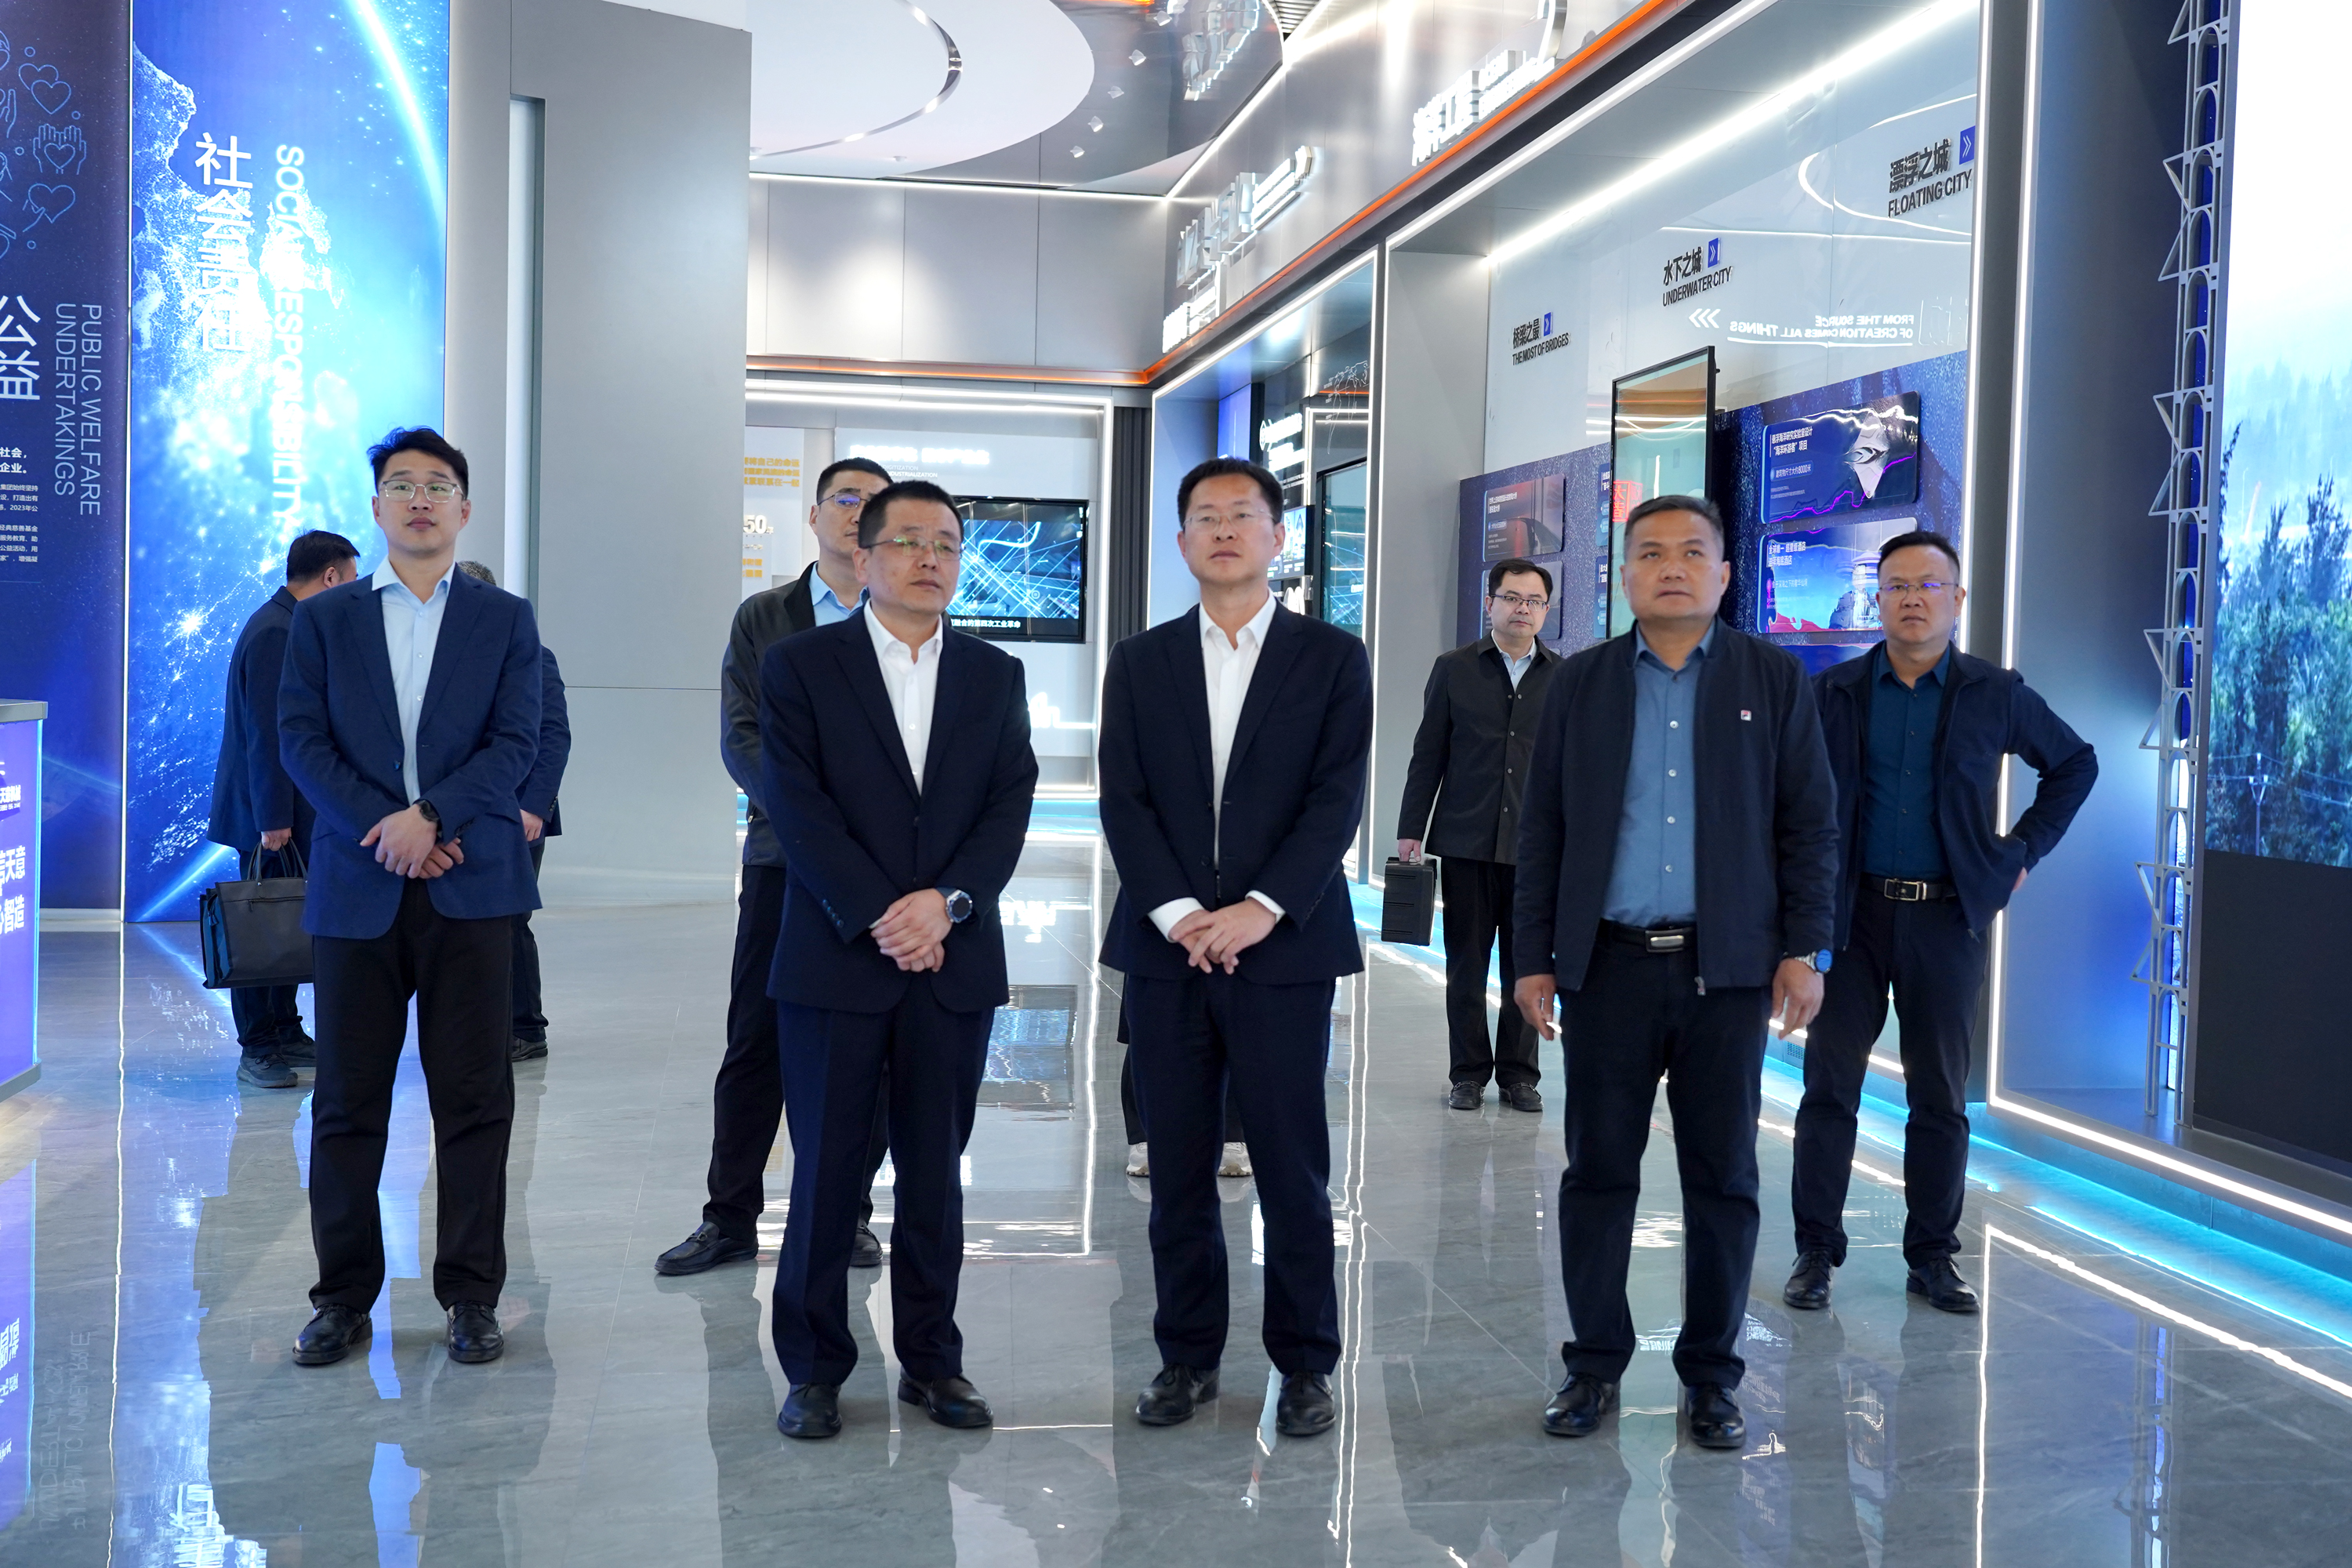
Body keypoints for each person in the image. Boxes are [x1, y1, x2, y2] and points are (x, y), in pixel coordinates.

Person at [1512, 493, 1838, 1451]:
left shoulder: (1772, 678)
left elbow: (1811, 824)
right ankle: (1592, 1364)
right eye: (1650, 553)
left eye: (1693, 552)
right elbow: (1543, 829)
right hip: (1608, 969)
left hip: (1725, 974)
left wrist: (1806, 948)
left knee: (1724, 1178)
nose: (1672, 567)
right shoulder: (1581, 683)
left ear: (1726, 572)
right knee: (1598, 1173)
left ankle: (1712, 1376)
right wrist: (1531, 957)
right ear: (1623, 574)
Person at [1097, 457, 1373, 1439]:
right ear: (1181, 542)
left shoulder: (1331, 656)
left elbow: (1335, 798)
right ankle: (1186, 1356)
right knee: (1176, 1165)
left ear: (1276, 536)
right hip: (1167, 950)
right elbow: (1123, 797)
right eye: (1205, 517)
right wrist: (1179, 912)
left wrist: (1261, 907)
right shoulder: (1142, 660)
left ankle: (1304, 1363)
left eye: (1243, 515)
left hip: (1284, 949)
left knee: (1293, 1166)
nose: (1224, 530)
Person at [764, 478, 1037, 1439]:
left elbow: (1009, 803)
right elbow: (796, 803)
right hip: (838, 955)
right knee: (826, 1171)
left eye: (948, 544)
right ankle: (813, 1369)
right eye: (910, 541)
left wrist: (947, 903)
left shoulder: (994, 674)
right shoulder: (802, 665)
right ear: (863, 555)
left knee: (934, 1171)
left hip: (951, 959)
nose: (932, 559)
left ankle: (932, 1359)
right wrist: (884, 912)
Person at [277, 426, 544, 1370]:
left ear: (464, 507)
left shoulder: (504, 619)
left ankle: (471, 1293)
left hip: (472, 886)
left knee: (474, 1099)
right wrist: (387, 828)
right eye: (401, 484)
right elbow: (301, 740)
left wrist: (431, 816)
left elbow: (517, 740)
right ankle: (341, 1297)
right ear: (377, 507)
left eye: (438, 484)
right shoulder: (325, 619)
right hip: (361, 887)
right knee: (347, 1101)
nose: (420, 498)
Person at [1785, 530, 2096, 1314]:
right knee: (1829, 1090)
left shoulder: (1994, 692)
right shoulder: (1836, 692)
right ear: (1877, 599)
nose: (1913, 598)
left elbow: (2075, 763)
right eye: (1897, 585)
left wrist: (2019, 854)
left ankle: (1932, 1256)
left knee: (1940, 1098)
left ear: (1957, 599)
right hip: (1850, 920)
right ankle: (1815, 1251)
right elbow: (1793, 801)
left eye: (1929, 584)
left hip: (1946, 919)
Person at [659, 456, 897, 1278]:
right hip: (782, 862)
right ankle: (728, 1217)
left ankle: (848, 1215)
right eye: (844, 497)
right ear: (815, 515)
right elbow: (743, 737)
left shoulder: (905, 616)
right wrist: (816, 828)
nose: (856, 511)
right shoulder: (765, 616)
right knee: (755, 1044)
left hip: (880, 875)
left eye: (872, 501)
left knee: (864, 1049)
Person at [1397, 557, 1563, 1113]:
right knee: (1465, 964)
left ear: (1546, 610)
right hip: (1466, 841)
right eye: (1512, 598)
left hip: (1535, 848)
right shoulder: (1454, 668)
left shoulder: (1563, 678)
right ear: (1490, 602)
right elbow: (1428, 753)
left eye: (1533, 601)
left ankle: (1520, 1075)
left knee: (1527, 963)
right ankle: (1467, 1073)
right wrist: (1410, 829)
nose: (1522, 609)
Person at [208, 528, 361, 1088]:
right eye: (349, 580)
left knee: (287, 922)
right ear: (330, 577)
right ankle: (258, 1046)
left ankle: (286, 1030)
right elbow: (268, 735)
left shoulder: (287, 623)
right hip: (271, 816)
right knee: (260, 924)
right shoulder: (277, 631)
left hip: (289, 813)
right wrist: (274, 819)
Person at [453, 561, 572, 1064]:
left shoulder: (532, 655)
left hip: (519, 815)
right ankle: (481, 1024)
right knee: (469, 923)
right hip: (464, 813)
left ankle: (526, 1027)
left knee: (510, 920)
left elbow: (553, 736)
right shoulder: (448, 658)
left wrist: (534, 807)